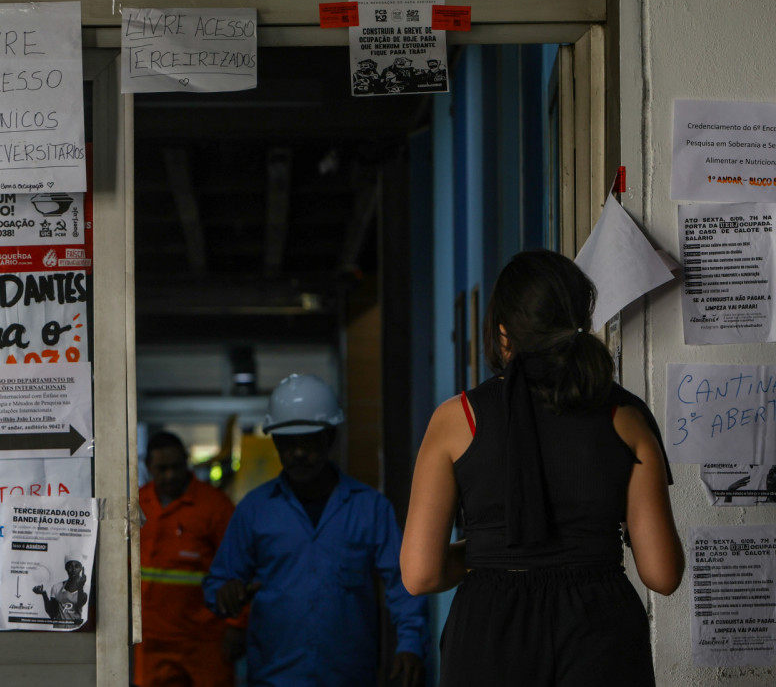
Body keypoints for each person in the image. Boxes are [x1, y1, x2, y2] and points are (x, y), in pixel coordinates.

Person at [401, 249, 684, 686]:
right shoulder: (626, 417)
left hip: (489, 630)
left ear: (503, 334)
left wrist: (483, 552)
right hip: (600, 627)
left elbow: (421, 574)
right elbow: (662, 574)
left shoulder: (458, 419)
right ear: (578, 324)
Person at [203, 374, 428, 687]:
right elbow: (217, 584)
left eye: (307, 441)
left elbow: (403, 584)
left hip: (350, 677)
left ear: (329, 439)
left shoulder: (370, 509)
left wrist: (410, 644)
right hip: (274, 677)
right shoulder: (255, 510)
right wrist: (225, 592)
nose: (297, 453)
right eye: (287, 442)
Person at [136, 431, 244, 687]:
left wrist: (238, 625)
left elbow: (241, 567)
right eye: (162, 469)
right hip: (152, 641)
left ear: (186, 461)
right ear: (148, 467)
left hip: (205, 639)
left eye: (176, 467)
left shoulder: (215, 506)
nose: (170, 475)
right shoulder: (137, 503)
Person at [33, 554, 88, 627]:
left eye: (76, 566)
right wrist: (44, 594)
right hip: (59, 629)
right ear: (66, 568)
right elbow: (52, 613)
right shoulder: (57, 587)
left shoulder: (85, 588)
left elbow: (80, 604)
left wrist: (80, 586)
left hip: (76, 630)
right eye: (70, 566)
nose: (73, 569)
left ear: (81, 568)